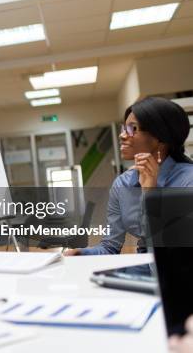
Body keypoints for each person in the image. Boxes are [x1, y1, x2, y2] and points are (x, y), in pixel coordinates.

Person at [65, 97, 193, 256]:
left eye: (133, 128)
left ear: (160, 138)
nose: (122, 136)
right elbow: (110, 247)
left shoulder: (188, 180)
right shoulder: (122, 184)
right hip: (145, 266)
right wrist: (80, 253)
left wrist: (150, 193)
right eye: (123, 128)